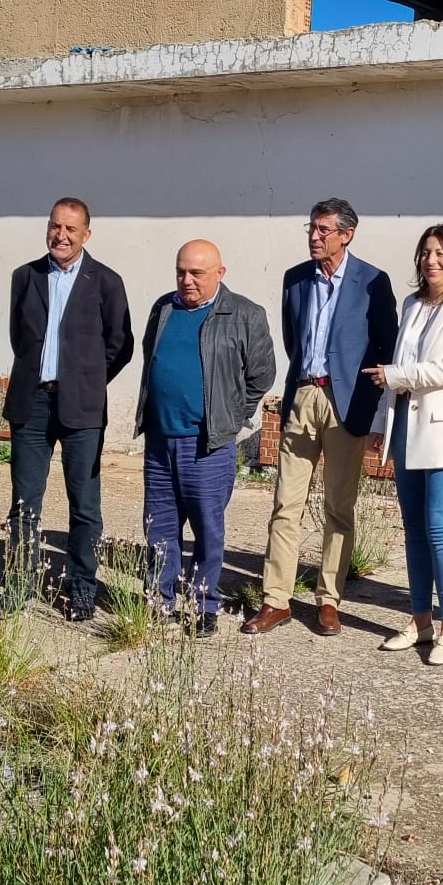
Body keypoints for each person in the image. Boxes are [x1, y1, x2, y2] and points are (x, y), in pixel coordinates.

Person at [248, 197, 398, 636]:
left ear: (346, 234)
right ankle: (276, 599)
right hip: (303, 397)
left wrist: (376, 416)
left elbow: (383, 349)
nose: (315, 236)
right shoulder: (295, 280)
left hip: (347, 403)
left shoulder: (372, 281)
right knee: (285, 504)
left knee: (339, 507)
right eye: (311, 229)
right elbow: (293, 339)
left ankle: (328, 599)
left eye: (324, 230)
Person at [133, 239, 276, 636]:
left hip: (207, 445)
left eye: (197, 273)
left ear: (220, 273)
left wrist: (231, 415)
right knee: (159, 527)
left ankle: (203, 605)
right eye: (181, 271)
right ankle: (158, 600)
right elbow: (151, 357)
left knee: (207, 529)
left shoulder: (244, 314)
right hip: (161, 442)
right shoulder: (163, 308)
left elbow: (261, 374)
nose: (187, 280)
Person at [3, 197, 134, 620]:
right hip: (32, 403)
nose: (61, 235)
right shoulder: (25, 277)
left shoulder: (106, 281)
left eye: (71, 229)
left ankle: (81, 587)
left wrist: (87, 380)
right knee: (24, 502)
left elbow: (121, 344)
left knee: (84, 504)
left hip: (81, 408)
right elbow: (19, 338)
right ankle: (19, 584)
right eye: (55, 226)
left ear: (86, 235)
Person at [364, 224, 443, 667]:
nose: (431, 261)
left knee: (439, 526)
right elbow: (397, 365)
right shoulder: (413, 304)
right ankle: (419, 622)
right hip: (406, 427)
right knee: (413, 529)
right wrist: (382, 421)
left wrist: (396, 377)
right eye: (425, 253)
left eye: (441, 253)